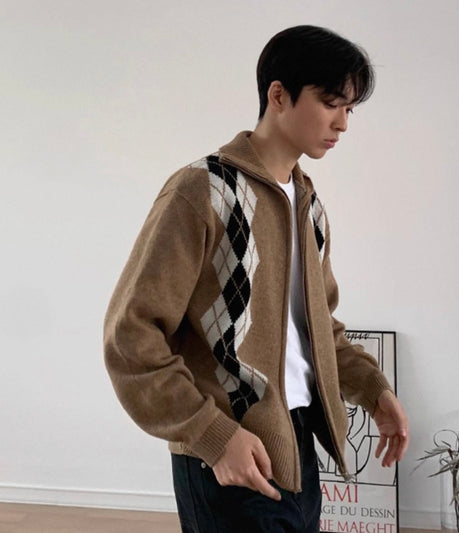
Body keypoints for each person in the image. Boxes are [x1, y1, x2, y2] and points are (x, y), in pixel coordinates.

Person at [104, 24, 409, 533]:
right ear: (279, 95)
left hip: (299, 446)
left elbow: (320, 329)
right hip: (229, 455)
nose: (342, 123)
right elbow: (130, 338)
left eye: (350, 109)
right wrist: (213, 435)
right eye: (331, 102)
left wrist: (375, 391)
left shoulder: (309, 205)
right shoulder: (202, 190)